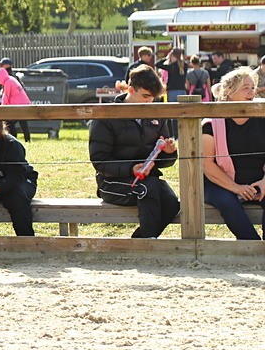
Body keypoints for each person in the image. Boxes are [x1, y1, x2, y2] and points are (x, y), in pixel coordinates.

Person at [88, 65, 179, 238]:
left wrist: (168, 152)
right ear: (131, 89)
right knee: (147, 188)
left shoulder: (157, 115)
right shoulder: (106, 116)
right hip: (112, 183)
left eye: (153, 97)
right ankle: (147, 244)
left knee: (172, 202)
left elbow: (164, 161)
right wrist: (131, 168)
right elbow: (99, 160)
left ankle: (140, 241)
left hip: (147, 180)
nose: (149, 102)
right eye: (145, 96)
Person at [201, 67, 265, 240]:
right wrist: (237, 188)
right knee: (227, 201)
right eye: (246, 87)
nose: (252, 91)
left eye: (253, 87)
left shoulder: (262, 117)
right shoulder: (211, 124)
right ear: (229, 91)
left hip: (259, 180)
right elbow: (206, 164)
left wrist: (264, 182)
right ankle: (251, 245)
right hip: (220, 183)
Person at [0, 58, 32, 142]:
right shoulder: (11, 78)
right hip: (22, 103)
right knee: (23, 123)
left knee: (10, 123)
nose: (0, 67)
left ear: (8, 65)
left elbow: (6, 95)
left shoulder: (8, 79)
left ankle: (13, 139)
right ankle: (27, 140)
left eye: (2, 65)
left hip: (17, 105)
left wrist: (3, 108)